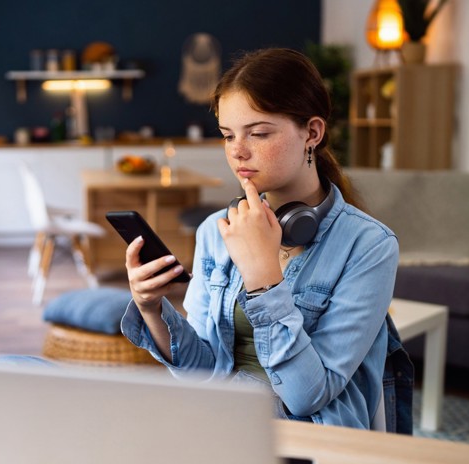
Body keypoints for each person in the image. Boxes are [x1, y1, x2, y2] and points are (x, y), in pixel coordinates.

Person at [119, 48, 400, 429]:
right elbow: (201, 373)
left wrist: (264, 277)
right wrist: (151, 309)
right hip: (219, 417)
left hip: (303, 432)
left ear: (312, 133)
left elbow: (307, 397)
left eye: (259, 133)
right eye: (227, 135)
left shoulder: (369, 246)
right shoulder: (217, 231)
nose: (237, 151)